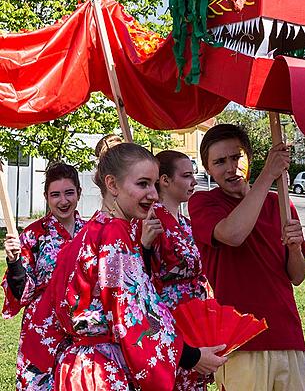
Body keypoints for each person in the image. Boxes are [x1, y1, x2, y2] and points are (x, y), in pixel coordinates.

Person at [22, 142, 226, 391]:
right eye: (142, 184)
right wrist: (192, 357)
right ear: (112, 185)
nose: (153, 194)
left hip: (82, 367)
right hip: (104, 370)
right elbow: (130, 313)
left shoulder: (94, 230)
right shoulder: (113, 235)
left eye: (153, 184)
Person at [188, 123, 305, 391]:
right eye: (220, 162)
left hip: (286, 333)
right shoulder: (204, 203)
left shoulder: (280, 203)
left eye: (236, 157)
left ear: (249, 158)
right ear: (208, 169)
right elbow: (233, 234)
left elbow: (297, 275)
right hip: (239, 341)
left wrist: (293, 247)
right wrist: (267, 176)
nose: (230, 168)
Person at [1, 162, 86, 390]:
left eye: (69, 193)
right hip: (42, 328)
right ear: (46, 197)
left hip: (81, 330)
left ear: (79, 192)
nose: (63, 201)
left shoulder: (90, 233)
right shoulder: (33, 235)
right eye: (55, 194)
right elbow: (23, 293)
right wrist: (14, 262)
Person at [140, 149, 213, 391]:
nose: (194, 182)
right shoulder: (152, 220)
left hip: (196, 314)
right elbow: (141, 274)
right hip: (171, 314)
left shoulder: (185, 222)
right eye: (187, 175)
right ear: (165, 181)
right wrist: (145, 246)